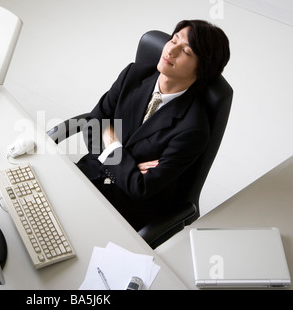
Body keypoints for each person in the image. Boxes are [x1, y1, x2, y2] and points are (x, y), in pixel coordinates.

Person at [76, 20, 230, 231]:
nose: (171, 49)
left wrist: (112, 146)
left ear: (202, 69)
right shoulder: (133, 75)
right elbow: (93, 123)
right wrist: (128, 166)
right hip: (87, 176)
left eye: (185, 50)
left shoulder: (193, 130)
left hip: (122, 213)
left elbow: (141, 188)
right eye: (174, 39)